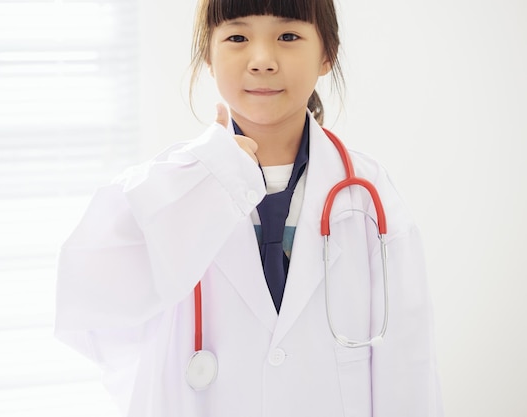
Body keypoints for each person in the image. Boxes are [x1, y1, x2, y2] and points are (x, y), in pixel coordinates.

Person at [54, 0, 444, 415]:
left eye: (288, 36)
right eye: (237, 37)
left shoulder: (369, 196)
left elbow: (408, 364)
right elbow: (90, 309)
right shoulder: (165, 188)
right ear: (208, 54)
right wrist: (207, 179)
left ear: (327, 54)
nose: (262, 60)